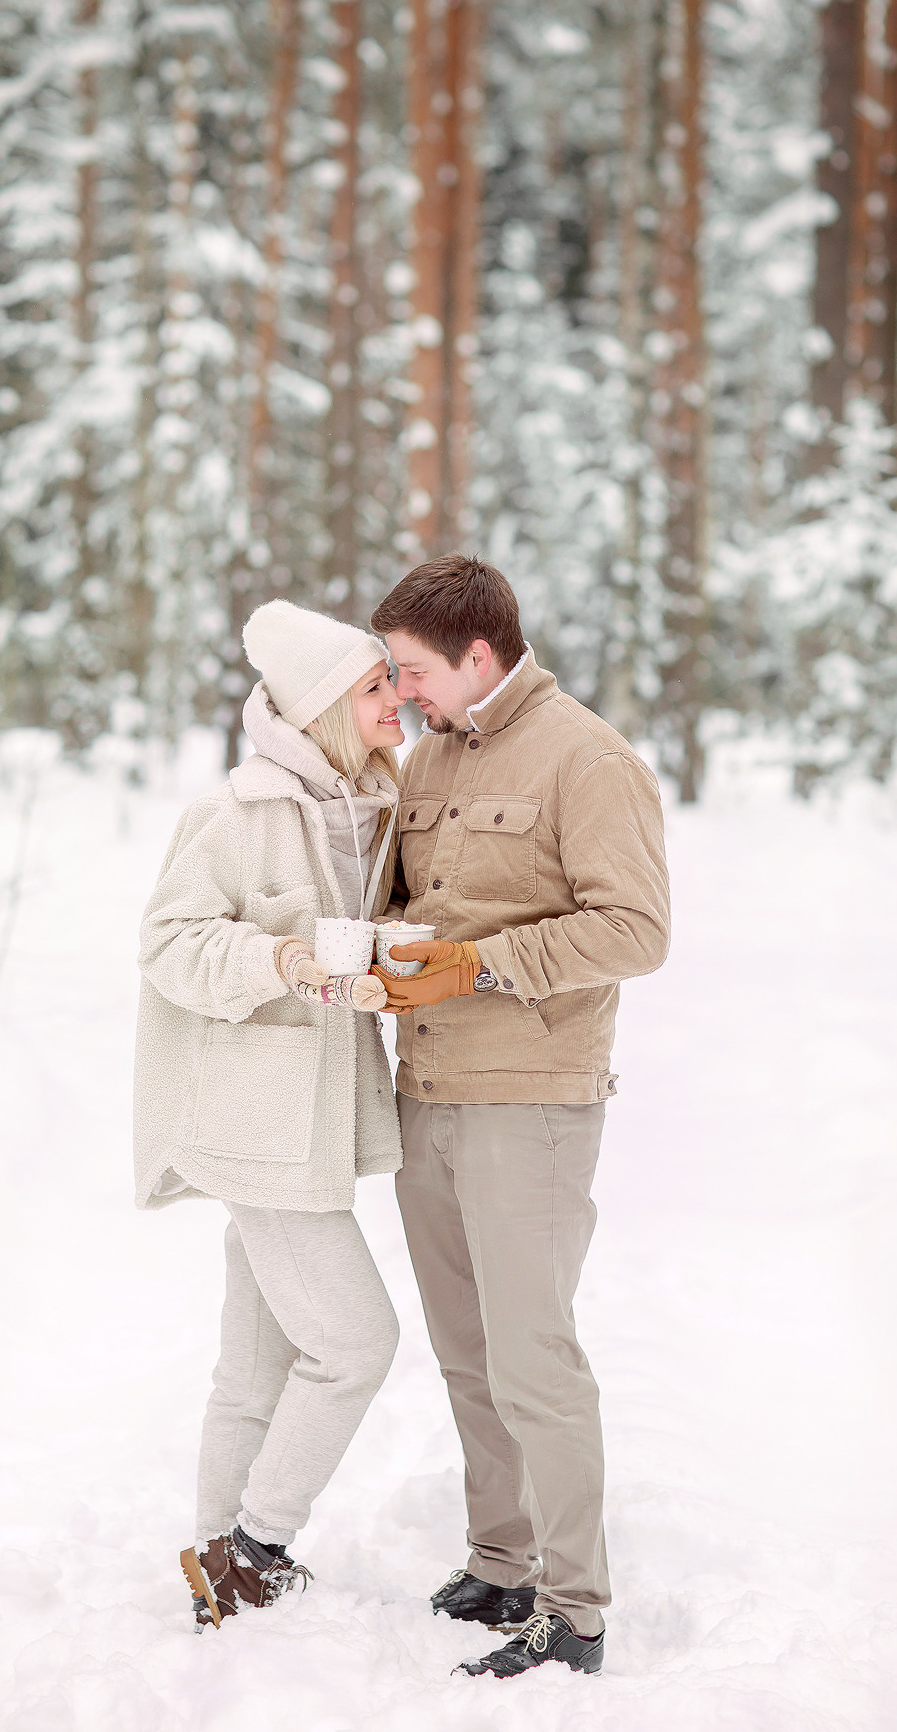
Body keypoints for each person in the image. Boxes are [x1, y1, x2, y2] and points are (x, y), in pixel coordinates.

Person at [368, 554, 671, 1680]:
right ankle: (501, 1562)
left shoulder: (588, 759)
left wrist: (475, 968)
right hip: (429, 1093)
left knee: (534, 1359)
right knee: (466, 1355)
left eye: (412, 672)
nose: (401, 694)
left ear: (479, 655)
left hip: (529, 1106)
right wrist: (393, 946)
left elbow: (636, 930)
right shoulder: (429, 757)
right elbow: (415, 901)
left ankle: (574, 1609)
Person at [133, 599, 407, 1630]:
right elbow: (167, 942)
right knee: (355, 1343)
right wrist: (278, 961)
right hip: (254, 1118)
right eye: (377, 685)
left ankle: (218, 1571)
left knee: (257, 1365)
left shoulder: (372, 804)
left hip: (311, 1114)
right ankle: (256, 1549)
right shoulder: (236, 813)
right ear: (330, 702)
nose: (397, 699)